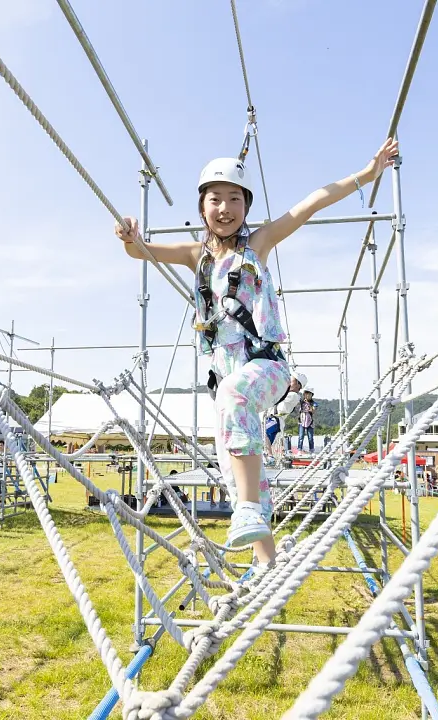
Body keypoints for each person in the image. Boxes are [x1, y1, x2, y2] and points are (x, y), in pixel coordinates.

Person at [114, 138, 399, 567]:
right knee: (235, 472)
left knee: (235, 397)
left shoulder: (259, 243)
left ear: (246, 206)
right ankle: (266, 561)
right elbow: (142, 252)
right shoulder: (196, 257)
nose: (225, 208)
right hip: (225, 377)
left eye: (235, 199)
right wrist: (128, 236)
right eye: (215, 199)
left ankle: (248, 513)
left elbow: (311, 204)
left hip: (265, 366)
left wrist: (367, 173)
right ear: (202, 207)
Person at [297, 389, 316, 454]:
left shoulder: (313, 403)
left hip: (310, 422)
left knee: (310, 437)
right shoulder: (301, 402)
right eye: (306, 394)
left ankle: (311, 450)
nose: (308, 396)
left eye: (309, 394)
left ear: (311, 395)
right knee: (301, 436)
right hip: (302, 421)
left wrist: (308, 404)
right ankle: (299, 450)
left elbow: (313, 411)